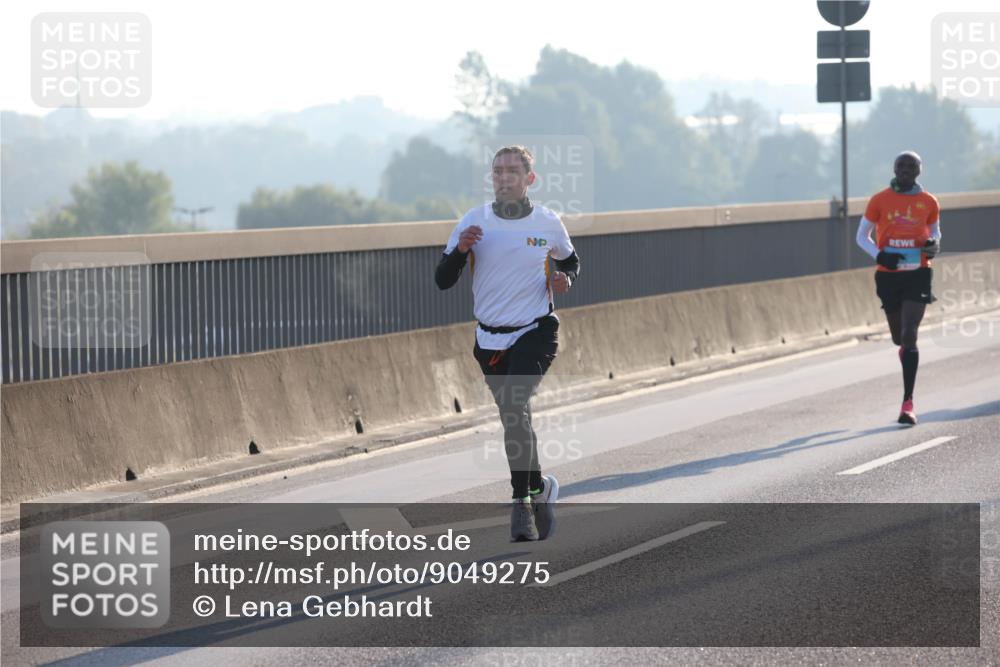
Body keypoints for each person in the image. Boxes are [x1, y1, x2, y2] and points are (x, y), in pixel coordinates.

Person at [435, 145, 580, 541]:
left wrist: (563, 280)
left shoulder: (548, 222)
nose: (503, 178)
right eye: (497, 171)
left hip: (536, 330)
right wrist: (461, 250)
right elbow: (442, 279)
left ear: (529, 179)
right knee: (515, 418)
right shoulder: (473, 221)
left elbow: (570, 261)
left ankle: (521, 506)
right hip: (489, 339)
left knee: (515, 406)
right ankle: (539, 488)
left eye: (512, 172)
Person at [856, 151, 941, 425]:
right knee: (898, 338)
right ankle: (904, 349)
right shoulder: (879, 200)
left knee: (909, 334)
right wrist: (879, 256)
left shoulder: (928, 201)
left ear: (919, 171)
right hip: (889, 275)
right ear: (894, 169)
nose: (905, 170)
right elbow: (862, 236)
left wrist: (934, 246)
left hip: (918, 272)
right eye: (900, 165)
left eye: (910, 166)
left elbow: (935, 232)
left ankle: (907, 403)